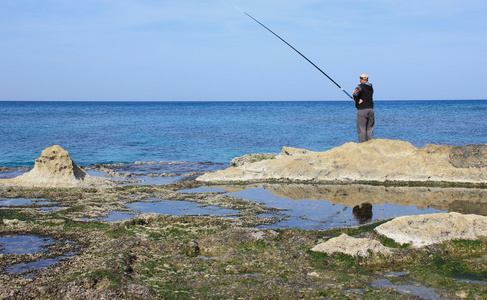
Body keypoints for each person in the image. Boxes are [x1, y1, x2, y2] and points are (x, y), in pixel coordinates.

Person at [353, 74, 374, 142]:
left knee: (361, 129)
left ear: (361, 79)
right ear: (367, 79)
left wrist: (357, 100)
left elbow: (355, 94)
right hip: (370, 109)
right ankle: (370, 144)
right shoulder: (370, 87)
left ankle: (362, 145)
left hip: (362, 110)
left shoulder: (359, 86)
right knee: (370, 129)